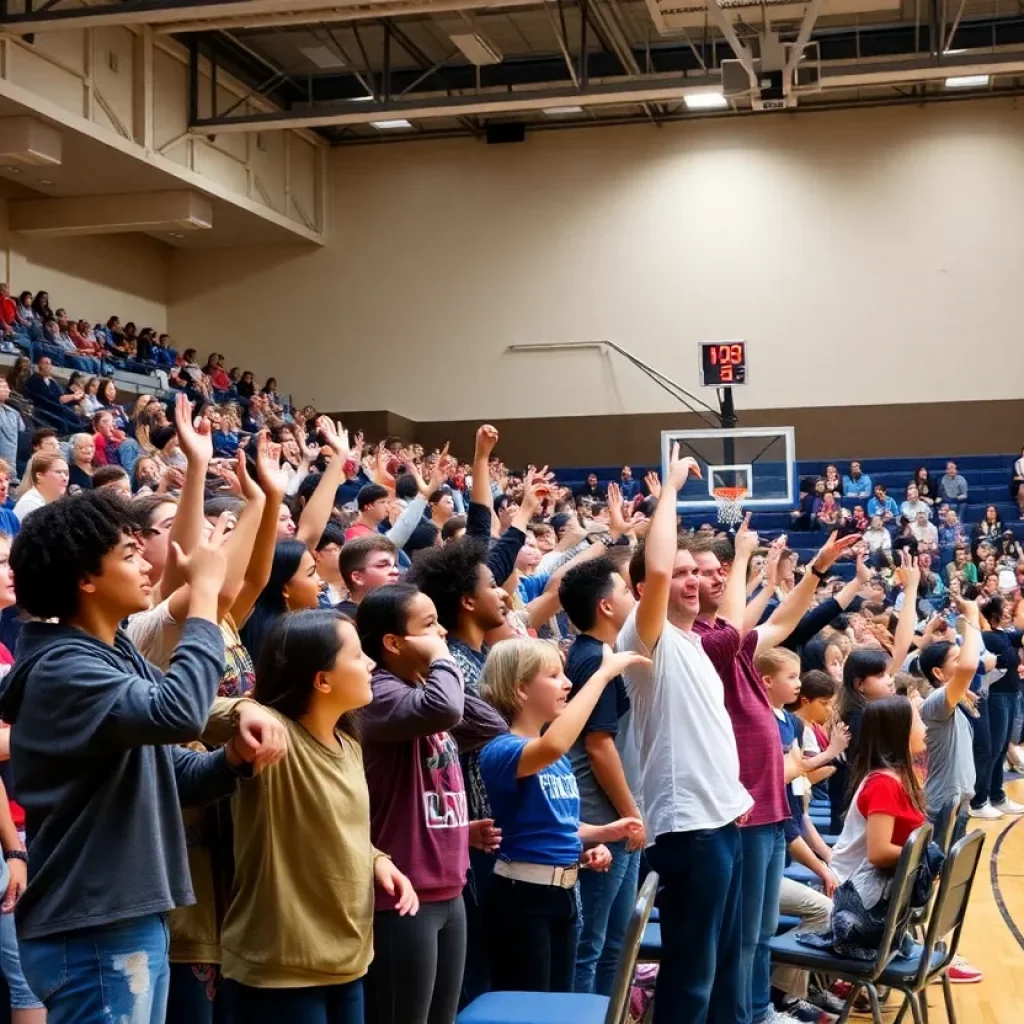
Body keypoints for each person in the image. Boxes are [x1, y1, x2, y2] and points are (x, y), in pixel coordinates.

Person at [0, 490, 284, 1024]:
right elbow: (180, 710)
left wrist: (234, 760)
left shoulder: (109, 653)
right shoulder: (65, 669)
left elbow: (173, 767)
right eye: (128, 556)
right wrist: (203, 593)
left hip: (123, 915)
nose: (144, 567)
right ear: (86, 579)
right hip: (92, 927)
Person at [207, 609, 418, 1024]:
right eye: (358, 656)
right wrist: (243, 712)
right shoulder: (272, 739)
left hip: (349, 961)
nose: (372, 663)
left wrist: (378, 861)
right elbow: (187, 713)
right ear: (321, 680)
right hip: (280, 970)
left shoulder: (351, 745)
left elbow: (341, 831)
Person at [689, 519, 858, 1024]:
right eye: (699, 572)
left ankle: (759, 1009)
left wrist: (817, 570)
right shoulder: (699, 642)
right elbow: (748, 622)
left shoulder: (733, 641)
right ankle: (742, 1014)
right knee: (740, 935)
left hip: (768, 808)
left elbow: (782, 624)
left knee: (758, 931)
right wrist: (744, 559)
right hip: (738, 811)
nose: (712, 578)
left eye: (717, 570)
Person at [615, 443, 752, 1024]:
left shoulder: (694, 641)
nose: (693, 583)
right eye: (682, 576)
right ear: (647, 588)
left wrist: (732, 802)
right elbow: (660, 567)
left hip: (719, 819)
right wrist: (669, 490)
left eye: (701, 575)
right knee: (691, 973)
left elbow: (738, 620)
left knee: (713, 962)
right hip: (689, 829)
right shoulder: (649, 642)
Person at [356, 584, 507, 1024]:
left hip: (447, 885)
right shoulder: (377, 694)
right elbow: (445, 711)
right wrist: (442, 661)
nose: (442, 632)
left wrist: (433, 669)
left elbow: (489, 723)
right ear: (393, 643)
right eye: (429, 626)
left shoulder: (422, 691)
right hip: (402, 892)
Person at [477, 639, 644, 993]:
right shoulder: (503, 750)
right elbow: (554, 744)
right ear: (521, 689)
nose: (567, 683)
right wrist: (601, 677)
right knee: (531, 1008)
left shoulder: (555, 758)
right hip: (522, 896)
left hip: (564, 894)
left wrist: (601, 834)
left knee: (559, 1001)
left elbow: (557, 824)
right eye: (554, 675)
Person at [405, 536, 511, 1004]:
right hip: (472, 834)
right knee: (474, 976)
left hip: (489, 830)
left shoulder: (482, 658)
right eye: (494, 585)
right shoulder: (452, 668)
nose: (505, 593)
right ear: (468, 601)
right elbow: (495, 725)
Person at [556, 556, 645, 996]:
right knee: (590, 944)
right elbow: (597, 745)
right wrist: (631, 813)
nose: (634, 597)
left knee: (615, 942)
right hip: (599, 813)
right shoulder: (593, 660)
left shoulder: (600, 654)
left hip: (611, 811)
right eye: (627, 591)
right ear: (606, 606)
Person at [971, 595, 1024, 820]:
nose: (1009, 609)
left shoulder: (1005, 635)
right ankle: (979, 799)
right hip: (995, 697)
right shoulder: (989, 637)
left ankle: (997, 795)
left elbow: (1018, 635)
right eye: (1005, 607)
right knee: (991, 750)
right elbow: (1008, 655)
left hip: (1011, 694)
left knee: (1001, 749)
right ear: (994, 614)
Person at [336, 535, 400, 618]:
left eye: (395, 565)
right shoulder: (339, 621)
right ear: (358, 578)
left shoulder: (401, 613)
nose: (395, 571)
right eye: (383, 565)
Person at [12, 452, 68, 522]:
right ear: (39, 476)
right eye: (58, 472)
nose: (64, 478)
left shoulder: (55, 503)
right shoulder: (31, 504)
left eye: (66, 473)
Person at [0, 380, 24, 479]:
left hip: (11, 470)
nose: (8, 390)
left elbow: (22, 432)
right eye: (4, 387)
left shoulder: (14, 413)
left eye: (8, 387)